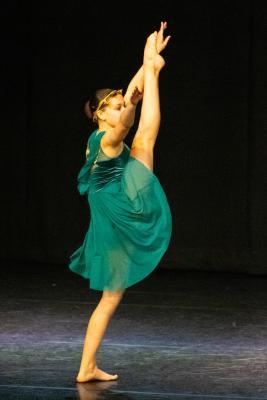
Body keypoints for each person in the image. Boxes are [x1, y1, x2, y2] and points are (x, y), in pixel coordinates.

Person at [69, 22, 172, 383]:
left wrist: (147, 62)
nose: (119, 108)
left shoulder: (98, 136)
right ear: (99, 113)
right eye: (111, 107)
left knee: (144, 141)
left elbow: (131, 95)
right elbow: (130, 117)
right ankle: (85, 368)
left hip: (111, 202)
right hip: (121, 207)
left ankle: (86, 367)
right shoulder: (109, 137)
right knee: (143, 138)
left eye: (117, 105)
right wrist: (149, 74)